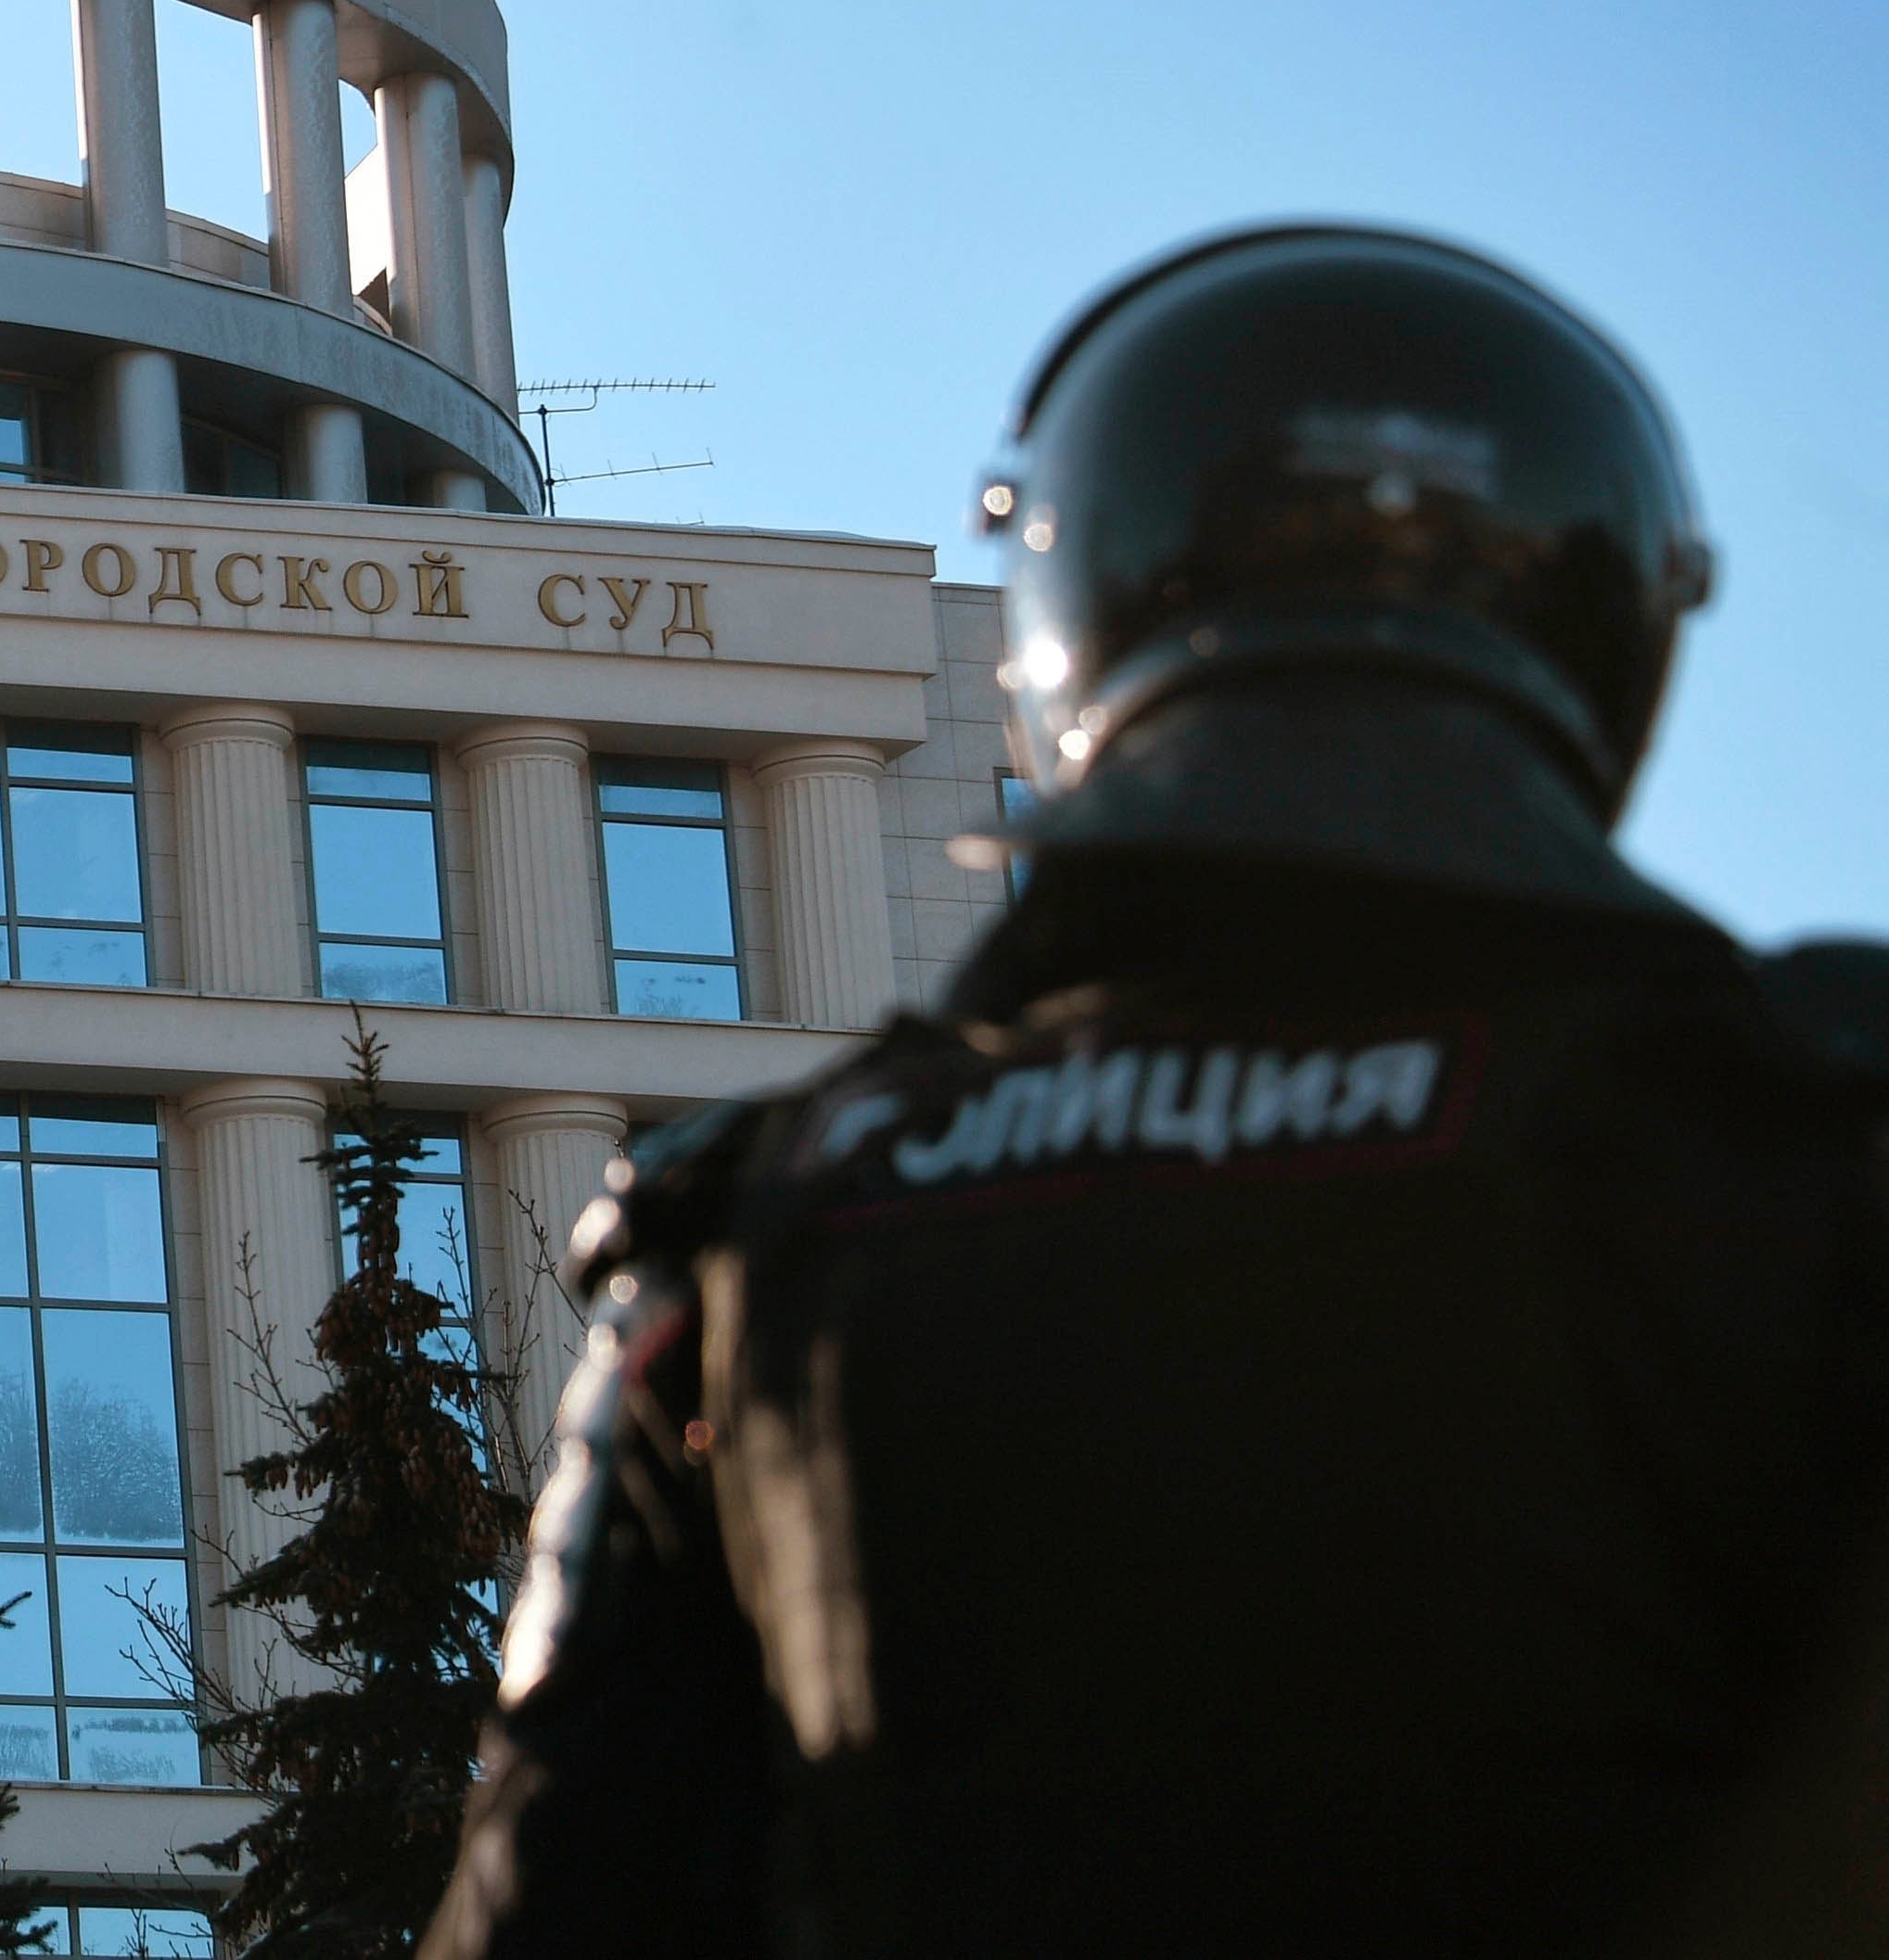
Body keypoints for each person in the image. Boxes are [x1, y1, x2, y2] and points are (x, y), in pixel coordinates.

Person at [422, 223, 1889, 1960]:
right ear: (1614, 607)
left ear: (1078, 602)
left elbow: (553, 1896)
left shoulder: (752, 1227)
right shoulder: (1811, 1114)